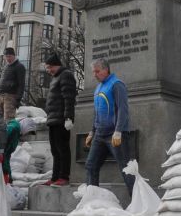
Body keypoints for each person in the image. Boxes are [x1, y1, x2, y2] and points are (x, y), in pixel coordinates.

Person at [85, 58, 134, 196]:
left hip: (115, 134)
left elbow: (123, 110)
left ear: (106, 70)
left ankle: (137, 201)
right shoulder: (98, 87)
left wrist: (118, 131)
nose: (94, 75)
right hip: (99, 135)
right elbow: (97, 112)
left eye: (97, 71)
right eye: (93, 72)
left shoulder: (117, 85)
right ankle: (91, 200)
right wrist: (92, 131)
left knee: (126, 168)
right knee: (91, 165)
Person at [42, 53, 77, 187]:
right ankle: (55, 177)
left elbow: (68, 97)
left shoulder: (66, 75)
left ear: (56, 65)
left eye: (49, 67)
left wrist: (68, 117)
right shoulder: (56, 78)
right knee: (55, 150)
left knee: (62, 149)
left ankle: (64, 177)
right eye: (47, 68)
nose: (48, 70)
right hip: (53, 119)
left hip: (61, 119)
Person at [0, 48, 26, 123]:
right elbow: (1, 81)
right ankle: (0, 135)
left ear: (14, 56)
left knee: (8, 120)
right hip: (0, 96)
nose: (7, 58)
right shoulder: (6, 67)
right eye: (6, 56)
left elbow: (21, 84)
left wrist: (18, 99)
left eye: (9, 56)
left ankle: (8, 135)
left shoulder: (19, 66)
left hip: (10, 97)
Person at [2, 117, 37, 184]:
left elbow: (7, 155)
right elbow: (1, 141)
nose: (26, 135)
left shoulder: (17, 133)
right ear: (26, 126)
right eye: (28, 132)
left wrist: (8, 173)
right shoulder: (13, 128)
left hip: (3, 158)